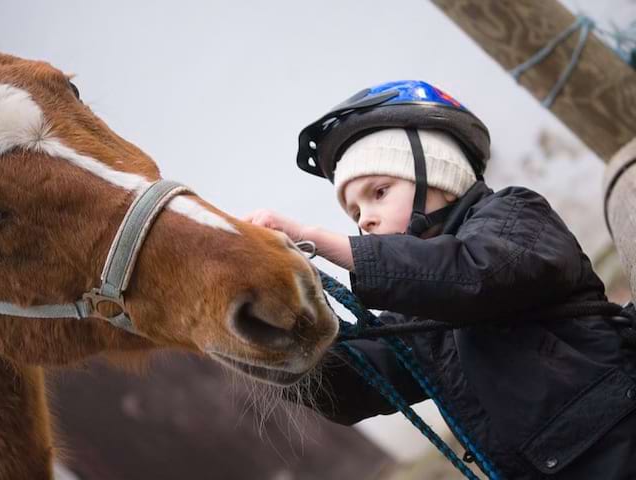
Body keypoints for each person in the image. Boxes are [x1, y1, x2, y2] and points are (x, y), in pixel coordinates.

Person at [243, 80, 636, 479]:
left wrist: (319, 240)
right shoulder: (418, 310)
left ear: (440, 177)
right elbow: (361, 381)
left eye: (378, 192)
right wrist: (265, 329)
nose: (364, 219)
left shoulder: (517, 216)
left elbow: (474, 275)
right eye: (354, 213)